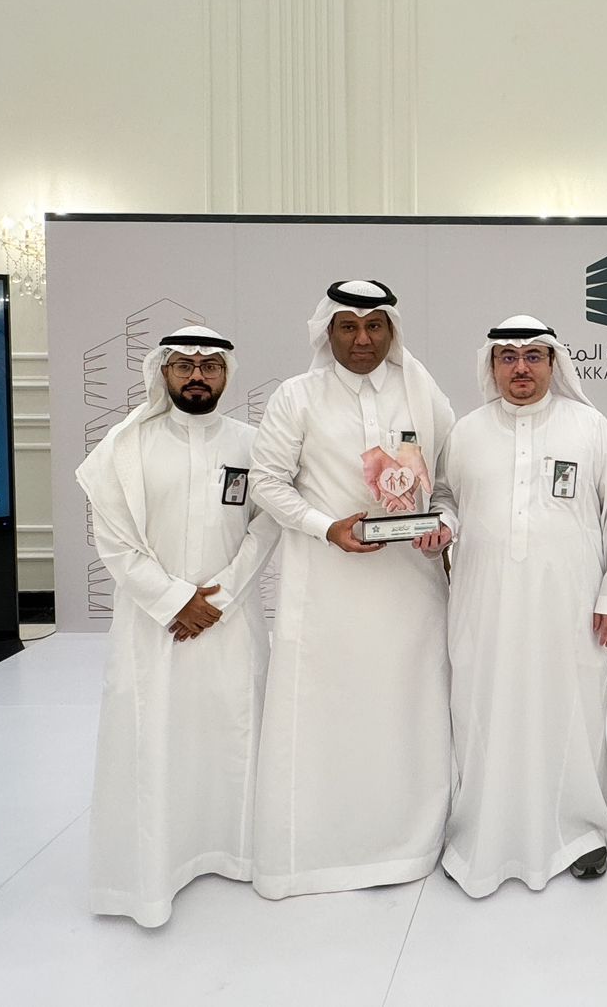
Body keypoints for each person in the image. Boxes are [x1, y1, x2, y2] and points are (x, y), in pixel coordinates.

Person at [247, 280, 455, 897]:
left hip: (409, 591)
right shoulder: (297, 396)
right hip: (327, 588)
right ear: (327, 332)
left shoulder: (423, 393)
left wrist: (442, 527)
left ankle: (411, 842)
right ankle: (317, 849)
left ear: (391, 331)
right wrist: (326, 527)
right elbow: (267, 482)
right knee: (327, 713)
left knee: (405, 709)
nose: (362, 339)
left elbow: (448, 486)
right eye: (348, 326)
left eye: (374, 325)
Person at [422, 315, 607, 897]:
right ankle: (479, 832)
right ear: (491, 365)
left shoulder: (589, 427)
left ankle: (579, 829)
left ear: (553, 363)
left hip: (569, 605)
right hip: (484, 604)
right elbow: (446, 497)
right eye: (508, 357)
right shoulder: (467, 432)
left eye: (533, 356)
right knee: (483, 710)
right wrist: (441, 524)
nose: (521, 368)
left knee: (571, 712)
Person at [76, 326, 281, 928]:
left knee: (233, 732)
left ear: (226, 374)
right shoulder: (125, 447)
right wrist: (173, 600)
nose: (197, 375)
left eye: (209, 365)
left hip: (230, 621)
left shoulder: (252, 444)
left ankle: (236, 851)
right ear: (162, 372)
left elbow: (267, 524)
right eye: (184, 365)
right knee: (154, 736)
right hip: (152, 626)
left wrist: (221, 596)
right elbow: (113, 539)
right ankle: (153, 869)